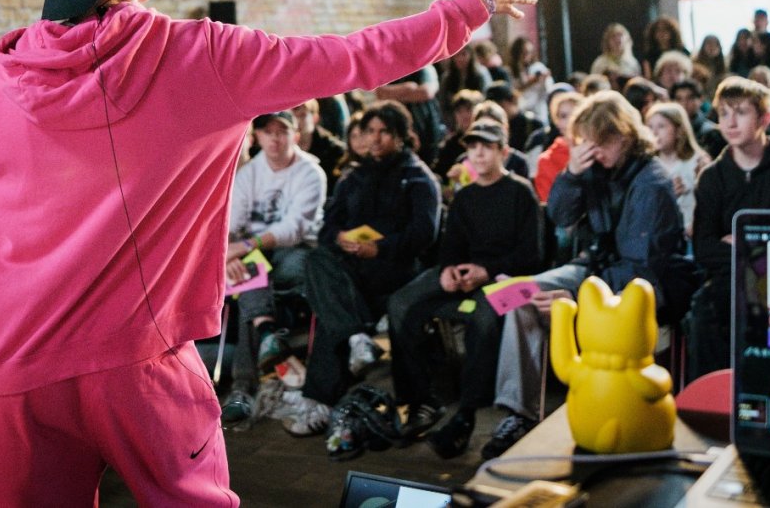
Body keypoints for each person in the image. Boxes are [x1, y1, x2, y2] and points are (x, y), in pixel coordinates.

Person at [0, 0, 540, 505]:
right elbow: (352, 57)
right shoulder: (206, 57)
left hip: (14, 379)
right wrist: (471, 6)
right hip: (141, 370)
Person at [484, 91, 685, 459]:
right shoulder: (596, 169)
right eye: (586, 141)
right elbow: (560, 217)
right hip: (596, 269)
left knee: (538, 297)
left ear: (623, 136)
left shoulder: (651, 183)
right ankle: (520, 413)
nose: (592, 150)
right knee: (517, 297)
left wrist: (577, 299)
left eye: (599, 141)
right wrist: (572, 174)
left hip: (644, 285)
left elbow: (639, 268)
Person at [386, 121, 544, 458]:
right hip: (464, 273)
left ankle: (466, 414)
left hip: (509, 279)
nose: (479, 153)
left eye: (487, 146)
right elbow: (450, 245)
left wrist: (486, 271)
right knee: (401, 303)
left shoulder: (521, 192)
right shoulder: (465, 196)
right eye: (472, 147)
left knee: (483, 318)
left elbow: (532, 255)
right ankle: (418, 399)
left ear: (503, 151)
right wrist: (448, 270)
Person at [296, 101, 444, 445]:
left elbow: (425, 234)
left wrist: (382, 248)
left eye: (384, 132)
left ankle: (323, 398)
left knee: (333, 305)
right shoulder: (354, 177)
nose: (375, 139)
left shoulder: (417, 177)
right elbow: (327, 228)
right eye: (370, 131)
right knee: (317, 261)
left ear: (400, 136)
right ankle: (356, 340)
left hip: (398, 268)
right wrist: (340, 238)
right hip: (354, 266)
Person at [688, 77, 770, 377]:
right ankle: (712, 399)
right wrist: (763, 246)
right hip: (728, 282)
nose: (730, 122)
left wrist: (741, 244)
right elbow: (704, 249)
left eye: (741, 112)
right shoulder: (712, 177)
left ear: (765, 118)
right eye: (724, 113)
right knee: (704, 311)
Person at [220, 111, 328, 427]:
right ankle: (268, 336)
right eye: (268, 132)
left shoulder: (311, 172)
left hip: (298, 252)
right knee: (250, 278)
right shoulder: (249, 174)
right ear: (258, 137)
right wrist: (229, 254)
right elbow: (230, 224)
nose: (275, 138)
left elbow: (293, 229)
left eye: (282, 131)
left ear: (296, 135)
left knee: (250, 281)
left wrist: (241, 250)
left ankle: (242, 388)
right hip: (252, 255)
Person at [645, 102, 708, 239]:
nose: (654, 133)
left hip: (691, 234)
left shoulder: (697, 162)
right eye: (650, 127)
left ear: (679, 131)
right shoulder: (647, 165)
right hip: (661, 236)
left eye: (661, 126)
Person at [291, 98, 347, 183]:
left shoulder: (333, 150)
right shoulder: (284, 146)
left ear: (315, 118)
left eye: (302, 115)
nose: (297, 121)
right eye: (293, 116)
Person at [671, 77, 725, 158]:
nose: (684, 103)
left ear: (701, 99)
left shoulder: (712, 132)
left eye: (689, 98)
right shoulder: (670, 130)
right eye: (679, 99)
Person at [506, 36, 551, 119]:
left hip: (538, 112)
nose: (526, 56)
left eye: (529, 52)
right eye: (523, 52)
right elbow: (510, 94)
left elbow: (549, 92)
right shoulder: (509, 71)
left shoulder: (538, 68)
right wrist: (530, 83)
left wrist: (545, 80)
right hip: (520, 113)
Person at [640, 16, 689, 81]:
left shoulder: (682, 51)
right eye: (658, 30)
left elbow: (688, 72)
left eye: (665, 30)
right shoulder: (649, 55)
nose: (661, 33)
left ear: (672, 32)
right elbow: (648, 77)